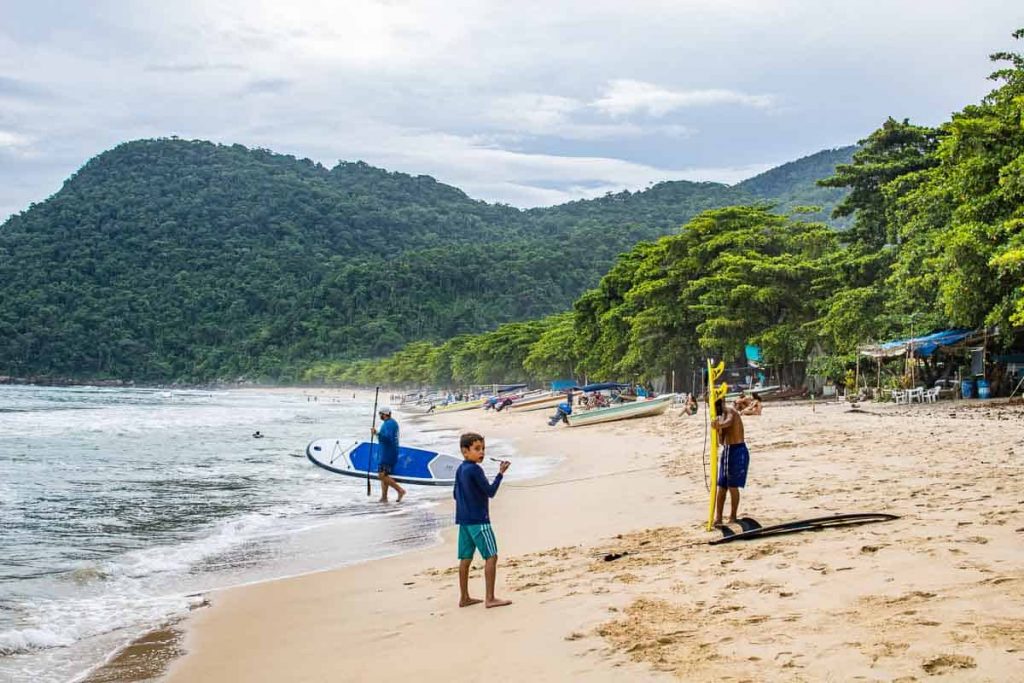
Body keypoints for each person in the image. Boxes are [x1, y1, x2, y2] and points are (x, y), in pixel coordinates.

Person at [454, 432, 511, 609]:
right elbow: (490, 491)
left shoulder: (461, 468)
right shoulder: (475, 469)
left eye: (483, 449)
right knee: (491, 556)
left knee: (465, 558)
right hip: (479, 520)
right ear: (465, 451)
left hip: (464, 521)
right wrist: (500, 474)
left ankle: (464, 597)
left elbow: (455, 494)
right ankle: (490, 598)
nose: (482, 453)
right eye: (477, 449)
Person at [712, 398, 750, 527]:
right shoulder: (720, 417)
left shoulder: (730, 411)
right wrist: (718, 430)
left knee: (733, 485)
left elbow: (728, 422)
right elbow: (722, 441)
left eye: (719, 405)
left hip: (737, 450)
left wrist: (719, 425)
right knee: (722, 486)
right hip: (727, 451)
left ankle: (733, 516)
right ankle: (718, 517)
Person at [370, 407, 406, 503]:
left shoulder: (389, 424)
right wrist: (377, 434)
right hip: (389, 452)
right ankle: (384, 497)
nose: (379, 416)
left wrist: (376, 433)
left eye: (380, 414)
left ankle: (400, 490)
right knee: (384, 476)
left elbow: (387, 439)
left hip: (387, 454)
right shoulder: (390, 423)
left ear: (384, 414)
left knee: (382, 475)